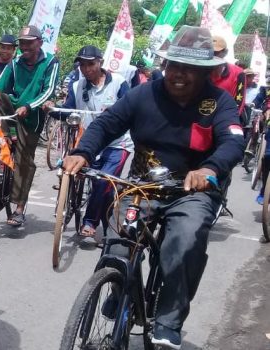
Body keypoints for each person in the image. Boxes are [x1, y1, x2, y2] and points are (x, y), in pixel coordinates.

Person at [62, 26, 244, 349]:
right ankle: (119, 287)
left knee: (185, 240)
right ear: (164, 66)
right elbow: (107, 123)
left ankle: (168, 321)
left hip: (191, 193)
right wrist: (82, 152)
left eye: (189, 69)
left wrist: (210, 168)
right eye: (173, 65)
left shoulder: (220, 103)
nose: (179, 75)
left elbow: (233, 143)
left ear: (204, 73)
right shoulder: (145, 93)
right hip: (143, 185)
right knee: (117, 235)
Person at [54, 45, 132, 238]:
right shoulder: (76, 86)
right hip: (92, 143)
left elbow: (131, 110)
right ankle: (109, 225)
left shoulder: (119, 83)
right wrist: (52, 109)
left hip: (118, 143)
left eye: (91, 64)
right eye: (82, 65)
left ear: (100, 63)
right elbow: (69, 110)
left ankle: (90, 222)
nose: (87, 69)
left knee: (103, 180)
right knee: (102, 185)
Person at [0, 25, 60, 227]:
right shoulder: (14, 63)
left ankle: (20, 208)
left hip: (33, 115)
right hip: (14, 110)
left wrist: (29, 106)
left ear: (39, 42)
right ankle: (4, 136)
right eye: (22, 43)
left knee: (24, 160)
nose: (25, 47)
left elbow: (49, 91)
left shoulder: (50, 62)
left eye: (29, 43)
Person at [211, 35, 246, 123]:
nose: (213, 55)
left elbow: (239, 101)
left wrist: (231, 121)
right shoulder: (199, 70)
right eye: (210, 52)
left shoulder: (238, 73)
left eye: (216, 52)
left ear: (225, 52)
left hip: (225, 119)